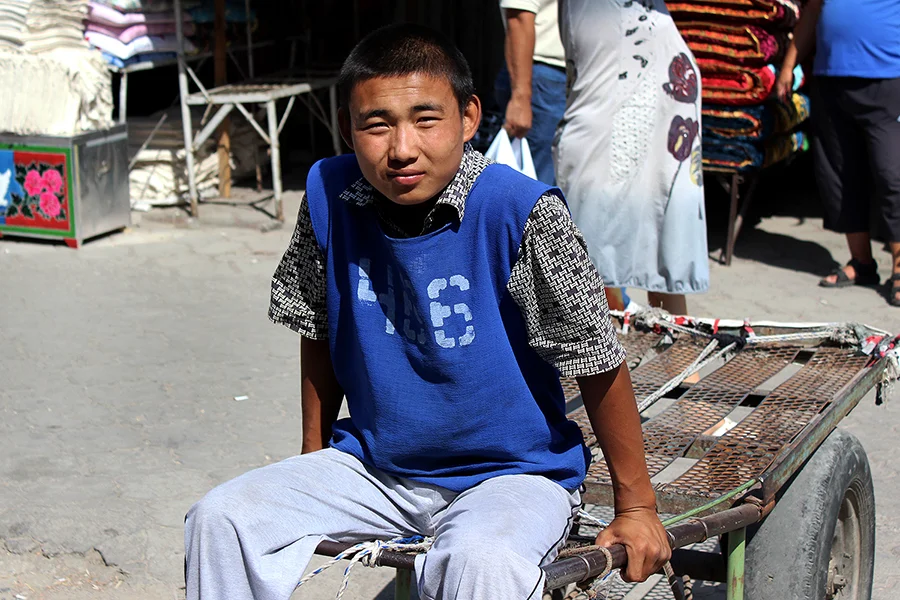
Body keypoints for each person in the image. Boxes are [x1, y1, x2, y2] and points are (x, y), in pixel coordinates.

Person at [184, 23, 670, 600]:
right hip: (376, 466)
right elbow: (318, 324)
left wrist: (637, 508)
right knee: (222, 519)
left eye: (425, 119)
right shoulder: (330, 194)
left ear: (468, 118)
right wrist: (313, 458)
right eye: (376, 125)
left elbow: (595, 357)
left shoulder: (520, 211)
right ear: (347, 128)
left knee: (480, 562)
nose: (402, 149)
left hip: (512, 476)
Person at [554, 0, 709, 317]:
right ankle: (602, 343)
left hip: (657, 89)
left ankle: (672, 345)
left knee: (663, 245)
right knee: (587, 249)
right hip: (603, 89)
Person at [776, 0, 900, 306]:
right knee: (839, 174)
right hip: (831, 80)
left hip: (887, 79)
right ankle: (861, 262)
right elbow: (812, 12)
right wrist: (789, 66)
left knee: (892, 174)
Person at [494, 0, 567, 185]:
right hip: (542, 77)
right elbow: (519, 15)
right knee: (537, 183)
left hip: (568, 77)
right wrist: (521, 96)